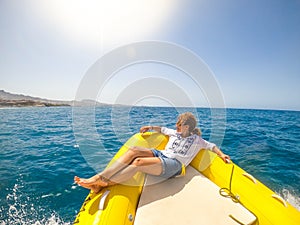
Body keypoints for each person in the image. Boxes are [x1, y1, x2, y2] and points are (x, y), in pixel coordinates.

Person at [74, 112, 230, 193]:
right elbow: (161, 129)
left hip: (175, 165)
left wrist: (222, 155)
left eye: (180, 125)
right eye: (177, 124)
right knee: (134, 150)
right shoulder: (173, 133)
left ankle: (104, 183)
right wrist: (149, 127)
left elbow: (212, 146)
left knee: (138, 163)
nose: (176, 127)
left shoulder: (196, 140)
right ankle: (100, 177)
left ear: (188, 127)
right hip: (161, 154)